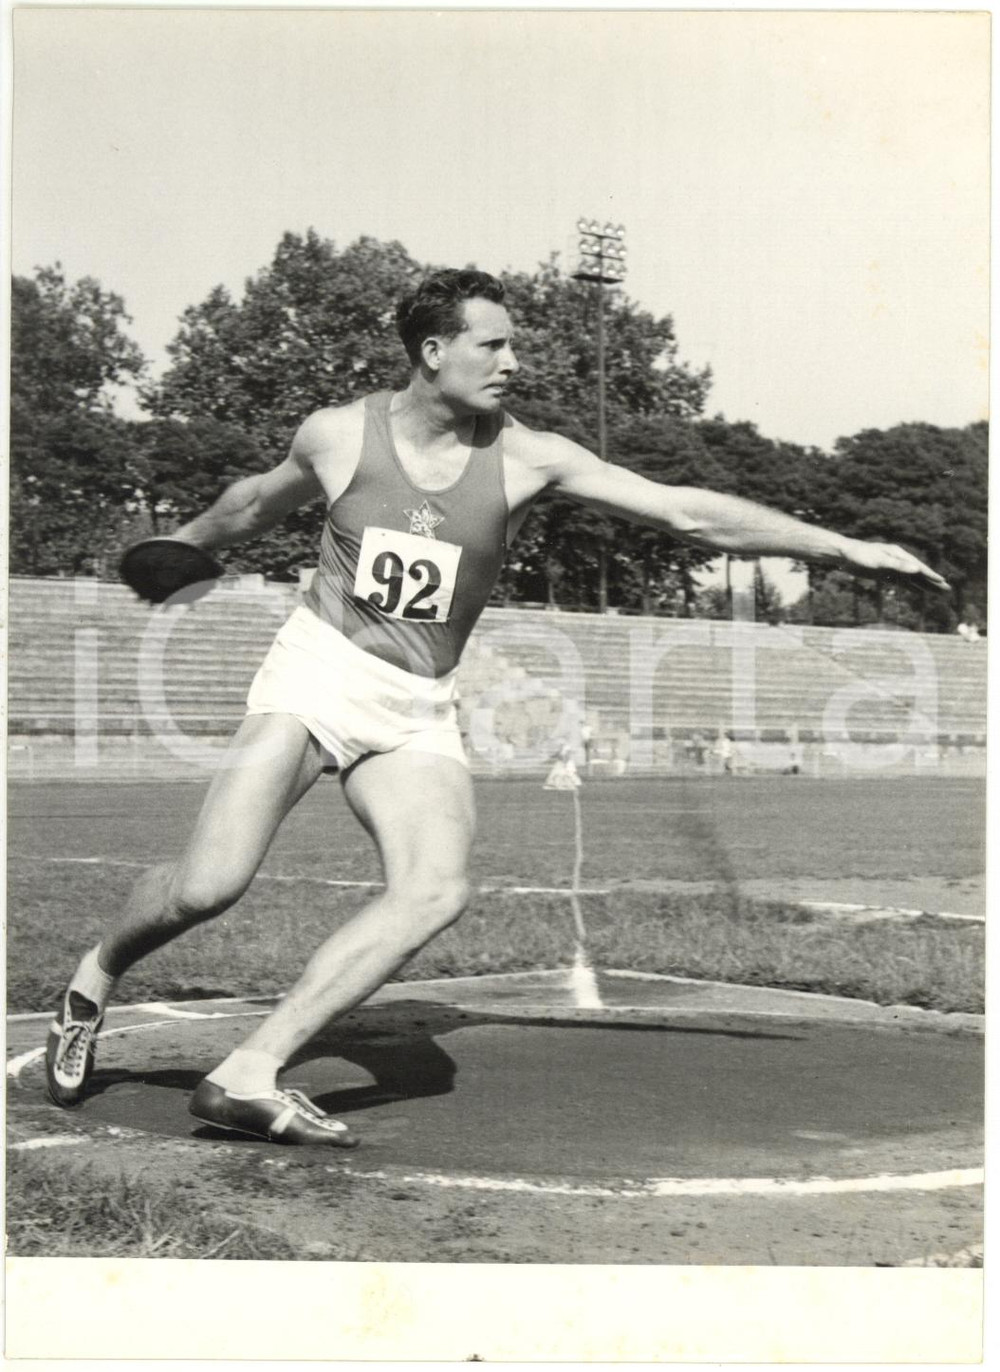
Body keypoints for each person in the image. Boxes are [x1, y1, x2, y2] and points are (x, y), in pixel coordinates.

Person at [46, 267, 949, 1146]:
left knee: (436, 889)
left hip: (416, 703)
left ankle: (248, 1071)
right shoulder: (337, 435)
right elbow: (252, 504)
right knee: (208, 885)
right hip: (315, 673)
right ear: (434, 351)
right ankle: (95, 976)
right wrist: (184, 543)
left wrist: (838, 545)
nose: (513, 360)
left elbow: (686, 515)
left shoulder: (530, 457)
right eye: (494, 343)